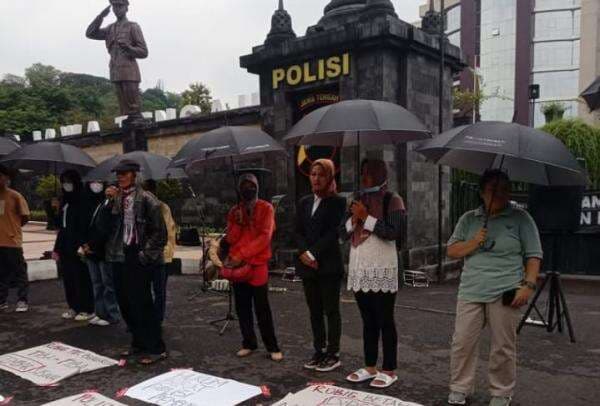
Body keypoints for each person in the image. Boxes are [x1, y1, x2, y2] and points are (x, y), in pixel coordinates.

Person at [446, 170, 542, 406]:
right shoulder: (469, 219)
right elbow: (452, 250)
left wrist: (528, 286)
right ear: (481, 193)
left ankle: (501, 391)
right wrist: (473, 242)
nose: (499, 194)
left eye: (503, 189)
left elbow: (533, 255)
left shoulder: (521, 218)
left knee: (503, 345)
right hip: (471, 289)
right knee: (462, 341)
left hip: (506, 289)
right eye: (492, 190)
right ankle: (460, 386)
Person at [342, 159, 405, 389]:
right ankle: (370, 366)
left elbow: (393, 232)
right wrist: (355, 217)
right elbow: (342, 232)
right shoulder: (358, 200)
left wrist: (366, 218)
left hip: (382, 267)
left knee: (384, 319)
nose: (364, 177)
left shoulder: (392, 199)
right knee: (368, 320)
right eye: (362, 172)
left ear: (380, 174)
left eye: (369, 173)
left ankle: (389, 369)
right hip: (360, 267)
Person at [104, 160, 168, 365]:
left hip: (137, 254)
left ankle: (156, 347)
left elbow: (160, 234)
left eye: (124, 173)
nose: (120, 177)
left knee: (142, 303)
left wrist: (145, 255)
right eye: (118, 174)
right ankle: (138, 341)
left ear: (134, 175)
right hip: (119, 254)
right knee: (125, 302)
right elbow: (108, 225)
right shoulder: (116, 198)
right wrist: (108, 201)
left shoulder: (148, 200)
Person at [225, 173, 283, 362]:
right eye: (244, 186)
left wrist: (242, 254)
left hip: (257, 266)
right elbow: (231, 239)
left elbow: (265, 237)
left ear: (257, 187)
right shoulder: (235, 210)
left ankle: (272, 346)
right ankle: (248, 342)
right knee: (242, 307)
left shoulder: (266, 208)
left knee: (262, 308)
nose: (248, 189)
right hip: (238, 266)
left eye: (251, 185)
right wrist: (238, 223)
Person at [295, 159, 346, 372]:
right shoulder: (304, 202)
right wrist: (304, 253)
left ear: (330, 178)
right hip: (308, 266)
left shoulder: (338, 202)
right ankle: (319, 349)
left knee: (330, 310)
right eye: (313, 174)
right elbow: (297, 231)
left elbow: (333, 233)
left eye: (321, 174)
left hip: (328, 265)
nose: (316, 178)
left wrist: (313, 252)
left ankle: (333, 353)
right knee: (314, 310)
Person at [86, 0, 148, 119]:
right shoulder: (109, 29)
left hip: (130, 73)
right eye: (114, 6)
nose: (117, 9)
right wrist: (101, 17)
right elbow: (90, 33)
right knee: (124, 112)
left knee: (134, 110)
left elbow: (144, 52)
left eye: (120, 6)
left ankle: (136, 134)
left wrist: (129, 48)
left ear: (126, 8)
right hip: (115, 71)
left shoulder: (133, 27)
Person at [53, 170, 95, 321]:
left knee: (81, 278)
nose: (66, 185)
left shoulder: (82, 200)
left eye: (69, 181)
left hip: (77, 244)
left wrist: (84, 244)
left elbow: (83, 225)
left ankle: (87, 308)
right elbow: (60, 227)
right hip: (65, 245)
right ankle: (74, 306)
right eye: (64, 181)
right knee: (69, 278)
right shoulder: (64, 201)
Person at [81, 179, 120, 326]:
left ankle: (112, 314)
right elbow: (94, 226)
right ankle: (100, 312)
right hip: (92, 249)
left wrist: (93, 245)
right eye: (108, 186)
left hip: (104, 250)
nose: (109, 189)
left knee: (107, 284)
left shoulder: (115, 206)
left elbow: (108, 229)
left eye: (113, 187)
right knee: (97, 283)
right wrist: (86, 244)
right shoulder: (101, 203)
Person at [142, 179, 177, 324]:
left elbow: (169, 233)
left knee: (159, 291)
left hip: (160, 255)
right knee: (143, 290)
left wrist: (165, 253)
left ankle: (157, 319)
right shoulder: (138, 208)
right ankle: (146, 317)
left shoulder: (162, 207)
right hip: (144, 255)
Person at [0, 164, 30, 313]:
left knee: (19, 272)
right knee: (1, 273)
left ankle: (22, 300)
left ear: (6, 178)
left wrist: (13, 229)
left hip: (12, 241)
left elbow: (24, 217)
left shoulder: (15, 196)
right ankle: (2, 300)